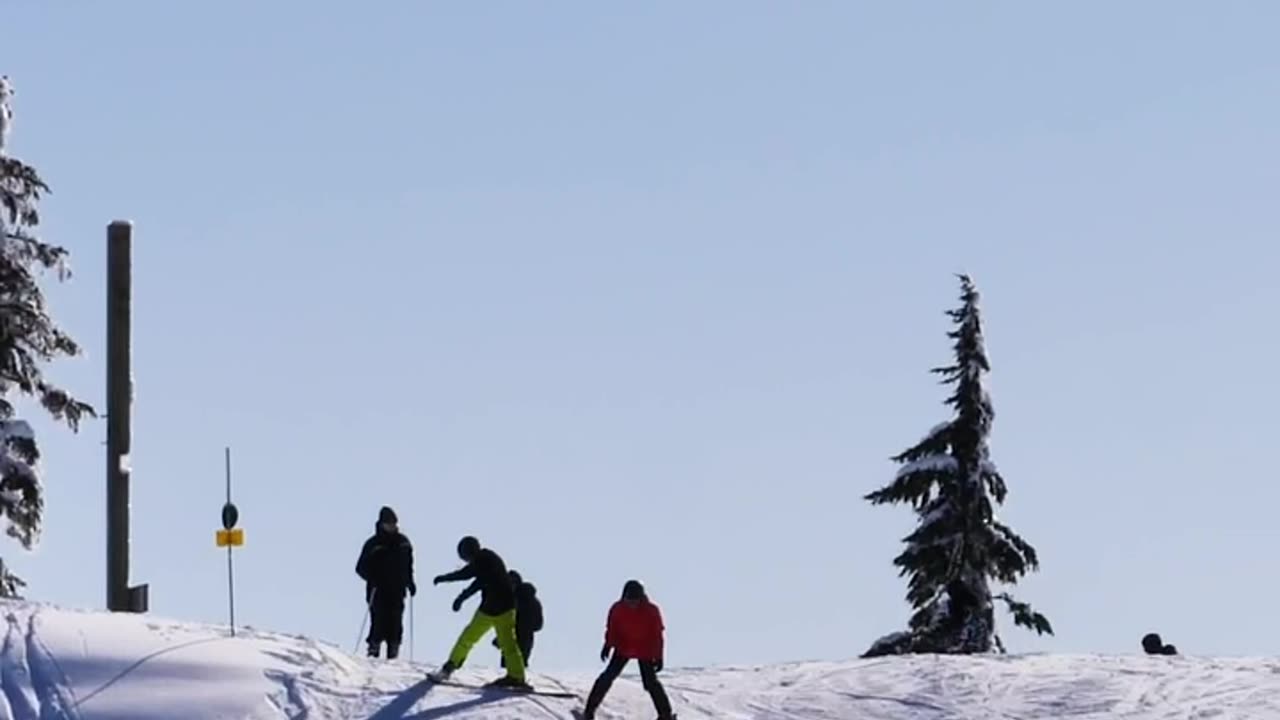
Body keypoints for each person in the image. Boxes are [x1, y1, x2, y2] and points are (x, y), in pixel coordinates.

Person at [428, 536, 529, 690]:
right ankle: (450, 666)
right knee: (468, 637)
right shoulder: (482, 558)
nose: (466, 561)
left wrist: (461, 598)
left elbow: (477, 583)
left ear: (469, 553)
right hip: (489, 608)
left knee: (507, 643)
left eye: (465, 557)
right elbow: (465, 573)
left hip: (503, 608)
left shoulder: (487, 560)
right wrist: (444, 578)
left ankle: (516, 677)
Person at [580, 580, 675, 720]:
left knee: (650, 682)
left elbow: (657, 635)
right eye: (629, 601)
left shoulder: (651, 610)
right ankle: (589, 711)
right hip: (623, 647)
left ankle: (665, 715)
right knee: (607, 677)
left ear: (641, 598)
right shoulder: (617, 609)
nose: (632, 604)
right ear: (623, 597)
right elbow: (612, 629)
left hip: (645, 649)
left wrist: (659, 656)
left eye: (635, 601)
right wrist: (607, 645)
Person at [354, 506, 416, 659]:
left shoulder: (403, 542)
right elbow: (360, 567)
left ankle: (393, 653)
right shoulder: (373, 544)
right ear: (381, 524)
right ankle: (373, 651)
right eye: (388, 523)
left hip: (397, 588)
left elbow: (408, 564)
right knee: (379, 620)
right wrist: (372, 577)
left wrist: (410, 582)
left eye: (394, 523)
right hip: (378, 589)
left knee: (395, 621)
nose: (392, 526)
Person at [492, 570, 543, 667]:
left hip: (515, 638)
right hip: (526, 638)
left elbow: (509, 621)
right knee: (519, 666)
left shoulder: (513, 600)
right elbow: (538, 625)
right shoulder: (533, 601)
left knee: (510, 667)